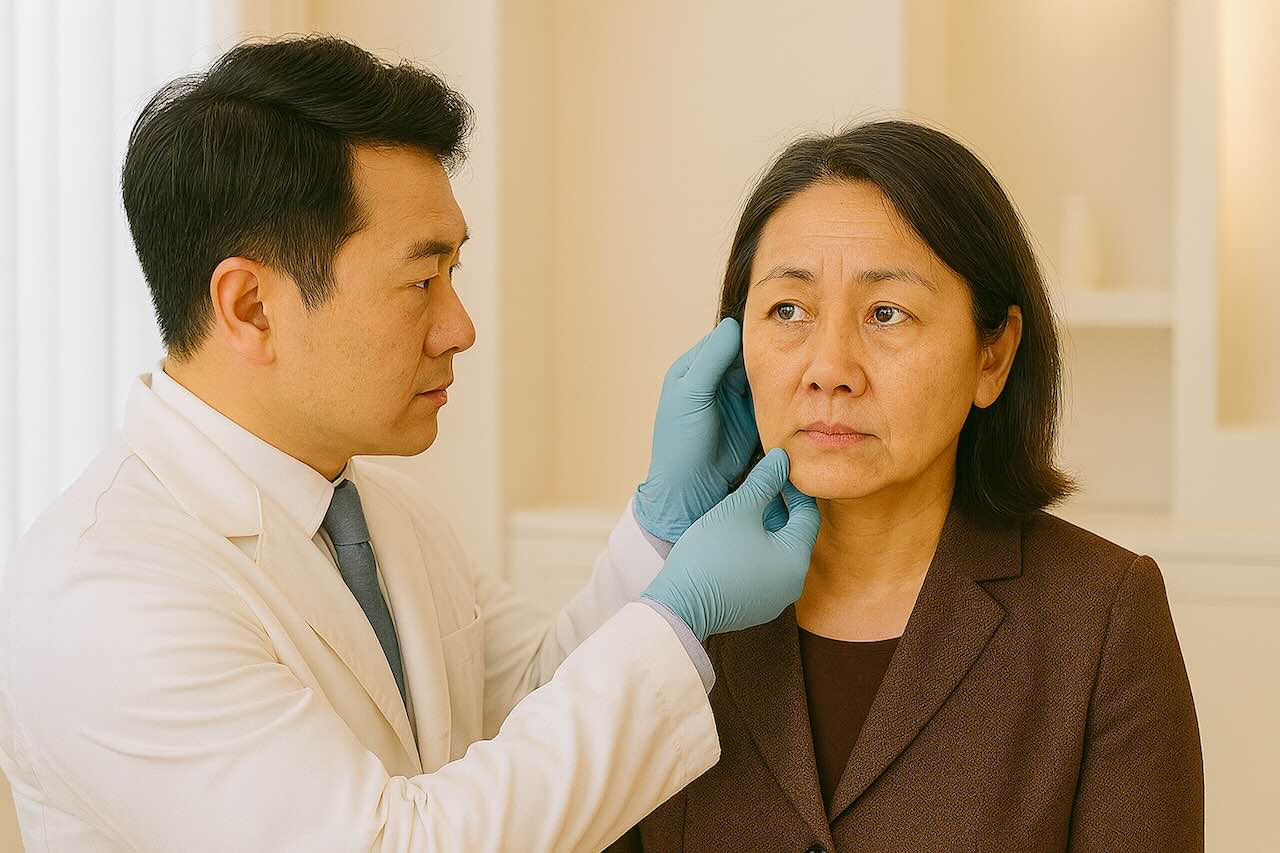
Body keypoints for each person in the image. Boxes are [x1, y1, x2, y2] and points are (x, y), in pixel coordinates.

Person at [0, 37, 821, 852]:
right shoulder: (102, 593)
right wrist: (681, 616)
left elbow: (533, 705)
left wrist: (660, 532)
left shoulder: (378, 515)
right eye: (421, 282)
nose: (460, 328)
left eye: (455, 273)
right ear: (250, 305)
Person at [612, 120, 1204, 851]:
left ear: (993, 355)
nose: (829, 367)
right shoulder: (674, 604)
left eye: (886, 313)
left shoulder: (1101, 618)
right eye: (787, 310)